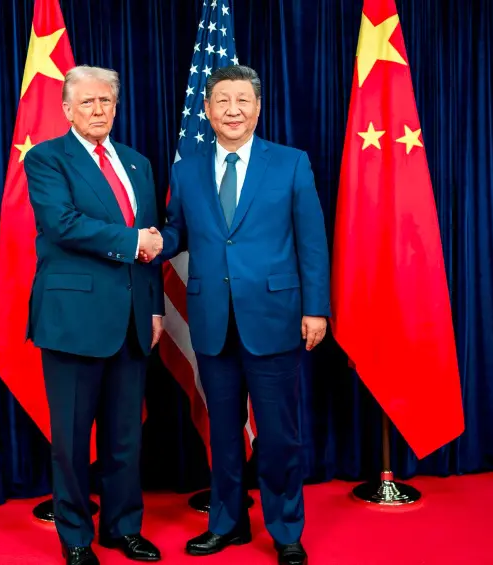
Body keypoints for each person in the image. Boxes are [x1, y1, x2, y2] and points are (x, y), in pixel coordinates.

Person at [150, 65, 329, 565]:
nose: (232, 110)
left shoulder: (291, 163)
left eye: (242, 100)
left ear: (257, 107)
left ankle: (286, 528)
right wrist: (148, 243)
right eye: (222, 101)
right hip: (211, 320)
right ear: (206, 110)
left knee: (278, 435)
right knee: (223, 433)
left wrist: (316, 308)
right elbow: (177, 231)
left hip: (276, 318)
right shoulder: (187, 169)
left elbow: (311, 243)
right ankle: (227, 524)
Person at [23, 65, 165, 565]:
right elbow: (61, 223)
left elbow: (149, 243)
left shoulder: (137, 163)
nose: (99, 110)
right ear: (66, 110)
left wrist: (153, 306)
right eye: (87, 102)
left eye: (106, 101)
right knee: (71, 441)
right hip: (72, 320)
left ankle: (123, 528)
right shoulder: (46, 159)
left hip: (131, 321)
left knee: (126, 437)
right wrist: (132, 241)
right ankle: (77, 539)